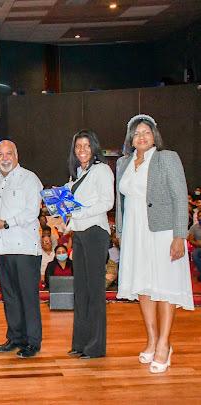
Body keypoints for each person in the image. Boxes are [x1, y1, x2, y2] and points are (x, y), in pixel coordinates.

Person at [116, 114, 193, 373]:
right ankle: (151, 339)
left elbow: (180, 198)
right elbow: (121, 202)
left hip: (163, 231)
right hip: (134, 232)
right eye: (137, 133)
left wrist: (179, 235)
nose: (141, 137)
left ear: (154, 136)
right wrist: (121, 232)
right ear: (130, 139)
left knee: (165, 285)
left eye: (146, 132)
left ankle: (164, 344)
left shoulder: (167, 158)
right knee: (143, 285)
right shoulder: (123, 163)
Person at [0, 140, 43, 359]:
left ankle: (33, 342)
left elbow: (32, 212)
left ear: (16, 155)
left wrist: (6, 223)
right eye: (0, 155)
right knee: (10, 297)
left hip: (25, 248)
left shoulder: (29, 178)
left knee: (28, 297)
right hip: (1, 248)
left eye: (8, 153)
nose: (5, 158)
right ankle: (15, 337)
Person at [65, 129, 114, 360]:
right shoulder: (77, 174)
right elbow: (71, 207)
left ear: (94, 147)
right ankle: (80, 343)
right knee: (81, 290)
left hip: (95, 232)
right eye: (78, 146)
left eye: (86, 145)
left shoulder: (102, 170)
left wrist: (79, 213)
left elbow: (107, 202)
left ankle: (95, 347)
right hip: (79, 234)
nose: (82, 150)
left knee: (95, 291)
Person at [188, 210, 201, 280]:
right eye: (200, 216)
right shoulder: (194, 227)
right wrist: (197, 243)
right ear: (197, 217)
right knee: (195, 254)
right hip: (199, 247)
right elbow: (190, 239)